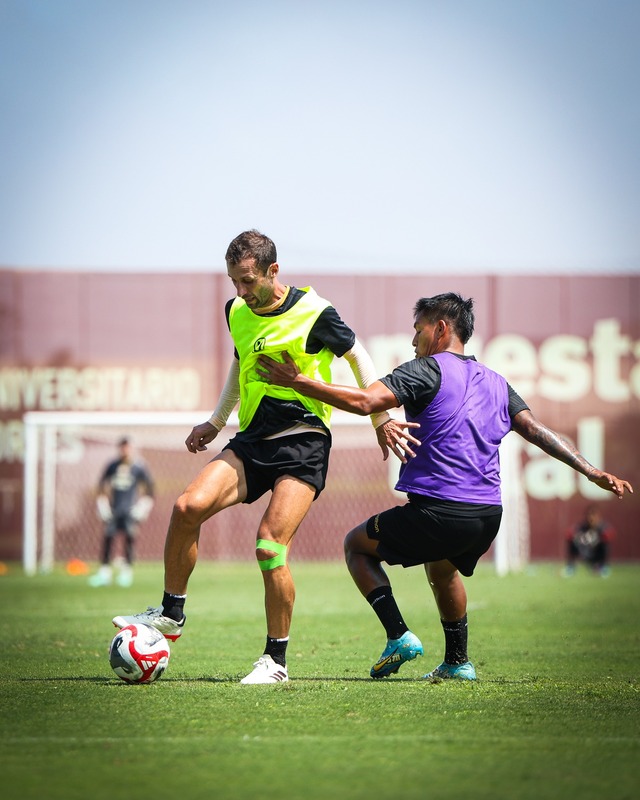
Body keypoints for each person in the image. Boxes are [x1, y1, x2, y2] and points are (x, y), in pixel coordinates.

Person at [257, 292, 633, 681]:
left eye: (417, 330)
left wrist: (299, 381)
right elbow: (538, 432)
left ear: (440, 329)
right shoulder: (497, 382)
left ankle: (398, 635)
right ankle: (458, 662)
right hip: (487, 516)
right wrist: (590, 471)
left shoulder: (425, 370)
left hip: (439, 511)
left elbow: (369, 401)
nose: (413, 340)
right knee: (443, 567)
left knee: (355, 546)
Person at [112, 230, 413, 683]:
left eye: (248, 281)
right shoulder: (237, 310)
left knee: (269, 545)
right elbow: (240, 363)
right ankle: (172, 614)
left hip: (304, 442)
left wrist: (379, 419)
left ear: (273, 271)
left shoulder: (315, 312)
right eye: (234, 281)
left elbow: (359, 356)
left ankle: (275, 662)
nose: (240, 292)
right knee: (186, 506)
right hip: (253, 441)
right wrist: (216, 422)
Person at [89, 437, 154, 588]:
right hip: (114, 509)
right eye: (123, 447)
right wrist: (102, 505)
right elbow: (102, 485)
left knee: (130, 539)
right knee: (108, 538)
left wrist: (142, 507)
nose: (125, 451)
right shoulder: (112, 465)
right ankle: (104, 573)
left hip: (130, 510)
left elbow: (149, 489)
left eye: (128, 447)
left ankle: (126, 573)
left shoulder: (139, 467)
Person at [564, 505, 615, 577]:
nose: (591, 518)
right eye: (589, 515)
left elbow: (610, 534)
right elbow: (570, 533)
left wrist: (599, 538)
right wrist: (576, 537)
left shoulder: (603, 527)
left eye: (594, 515)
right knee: (572, 541)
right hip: (584, 553)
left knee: (605, 544)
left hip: (597, 555)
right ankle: (570, 567)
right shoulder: (582, 527)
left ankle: (603, 567)